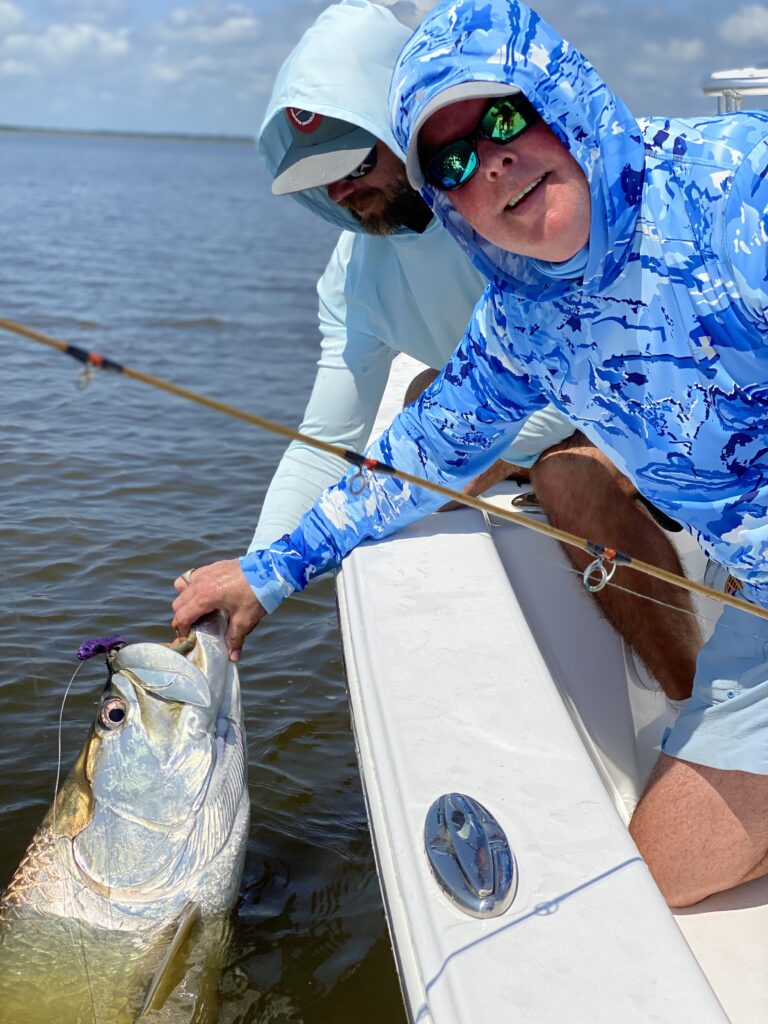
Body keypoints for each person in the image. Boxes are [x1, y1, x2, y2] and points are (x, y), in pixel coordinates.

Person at [171, 0, 768, 906]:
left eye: (501, 118)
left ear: (563, 98)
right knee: (656, 884)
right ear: (447, 197)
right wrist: (266, 573)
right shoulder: (519, 319)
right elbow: (415, 455)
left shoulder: (738, 191)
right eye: (451, 160)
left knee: (571, 476)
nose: (490, 162)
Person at [252, 0, 701, 698]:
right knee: (421, 398)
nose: (340, 190)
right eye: (318, 178)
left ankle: (691, 695)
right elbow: (322, 443)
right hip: (503, 413)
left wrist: (486, 460)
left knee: (566, 477)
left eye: (353, 162)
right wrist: (257, 576)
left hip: (638, 391)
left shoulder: (533, 212)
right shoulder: (350, 277)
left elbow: (604, 358)